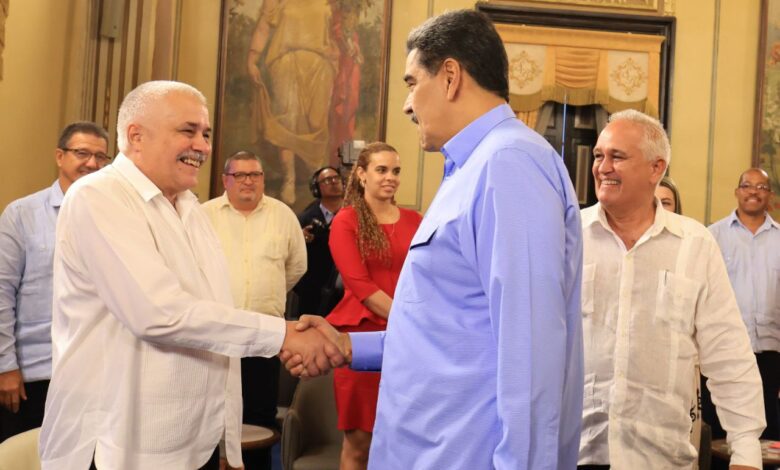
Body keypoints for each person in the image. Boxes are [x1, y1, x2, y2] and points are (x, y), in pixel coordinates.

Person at [284, 10, 584, 469]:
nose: (408, 105)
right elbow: (448, 331)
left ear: (449, 77)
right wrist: (349, 347)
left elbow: (530, 353)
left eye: (411, 83)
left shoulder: (508, 165)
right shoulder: (471, 168)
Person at [38, 80, 342, 470]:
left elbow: (211, 309)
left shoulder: (189, 208)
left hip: (190, 441)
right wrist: (283, 335)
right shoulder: (99, 196)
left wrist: (221, 432)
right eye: (188, 130)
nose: (202, 146)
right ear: (136, 136)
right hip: (120, 442)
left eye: (206, 134)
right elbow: (160, 313)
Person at [578, 109, 765, 469]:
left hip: (661, 458)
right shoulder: (569, 235)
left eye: (617, 156)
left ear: (656, 168)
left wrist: (745, 449)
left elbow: (728, 353)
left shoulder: (695, 244)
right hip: (578, 452)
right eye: (599, 155)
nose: (602, 167)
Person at [0, 122, 109, 442]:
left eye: (101, 157)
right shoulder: (22, 214)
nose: (92, 163)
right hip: (33, 374)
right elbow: (2, 292)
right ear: (60, 156)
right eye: (82, 153)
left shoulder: (113, 218)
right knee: (23, 457)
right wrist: (5, 366)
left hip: (94, 375)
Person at [202, 150, 306, 469]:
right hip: (216, 336)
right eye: (240, 175)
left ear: (262, 179)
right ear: (226, 180)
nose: (248, 181)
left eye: (255, 175)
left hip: (264, 336)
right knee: (210, 415)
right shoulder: (203, 216)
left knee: (259, 416)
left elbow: (296, 267)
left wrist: (264, 295)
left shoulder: (282, 215)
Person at [326, 142, 421, 469]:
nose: (390, 177)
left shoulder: (416, 220)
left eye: (396, 171)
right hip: (364, 338)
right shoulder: (346, 220)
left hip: (410, 342)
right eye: (381, 170)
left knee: (406, 439)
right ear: (362, 175)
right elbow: (362, 287)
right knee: (359, 443)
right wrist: (412, 324)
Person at [709, 168, 779, 442]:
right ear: (737, 191)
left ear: (769, 195)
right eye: (747, 185)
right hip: (724, 351)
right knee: (721, 432)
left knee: (767, 431)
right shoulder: (712, 236)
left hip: (771, 354)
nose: (753, 192)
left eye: (761, 187)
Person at [247, 0, 337, 204]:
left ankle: (316, 175)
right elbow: (263, 27)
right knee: (288, 121)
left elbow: (332, 34)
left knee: (317, 123)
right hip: (286, 61)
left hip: (319, 65)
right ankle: (289, 178)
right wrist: (252, 60)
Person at [294, 166, 345, 317]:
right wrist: (299, 239)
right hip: (313, 293)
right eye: (327, 180)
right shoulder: (304, 219)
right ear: (316, 189)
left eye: (336, 178)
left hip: (346, 292)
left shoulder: (356, 214)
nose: (334, 182)